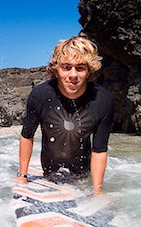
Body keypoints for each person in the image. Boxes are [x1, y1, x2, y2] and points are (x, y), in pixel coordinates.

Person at [16, 36, 114, 195]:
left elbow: (99, 150)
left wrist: (97, 190)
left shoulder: (103, 101)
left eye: (80, 68)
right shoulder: (40, 95)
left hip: (83, 176)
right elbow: (27, 135)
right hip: (49, 173)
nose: (73, 75)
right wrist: (22, 175)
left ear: (89, 71)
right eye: (66, 67)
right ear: (56, 69)